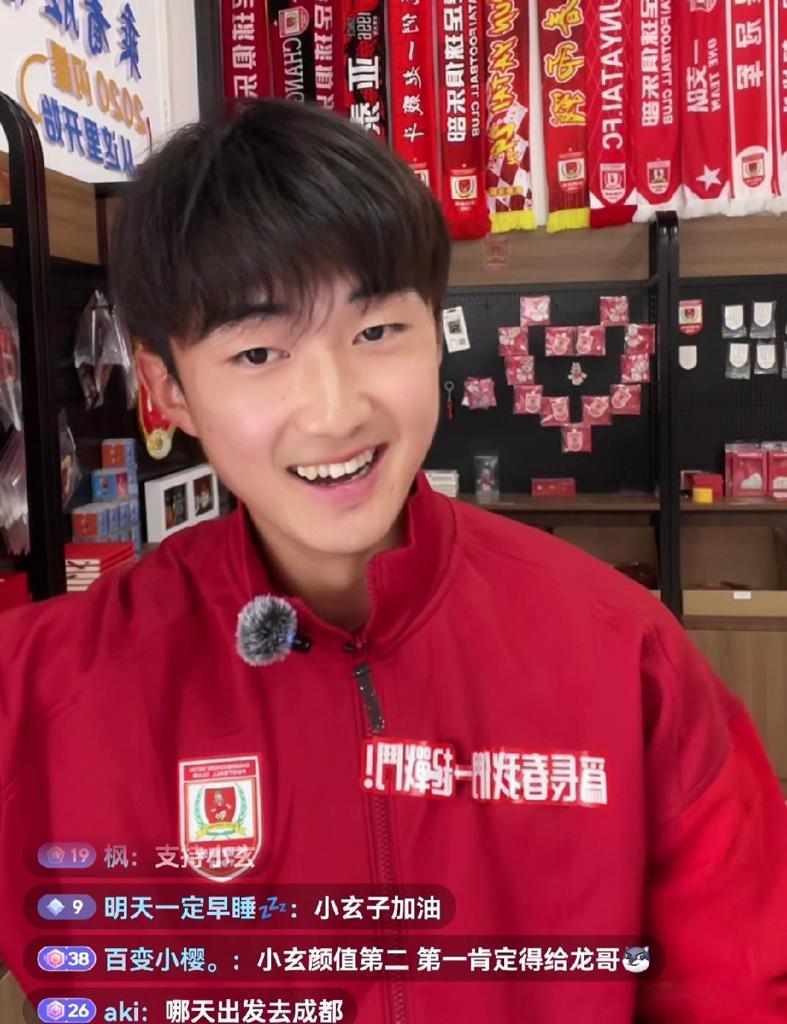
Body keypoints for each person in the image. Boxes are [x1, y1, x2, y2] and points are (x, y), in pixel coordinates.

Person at [0, 99, 786, 1023]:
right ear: (166, 388)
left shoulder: (623, 653)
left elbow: (737, 984)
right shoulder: (46, 694)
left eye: (375, 332)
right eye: (258, 352)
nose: (334, 411)